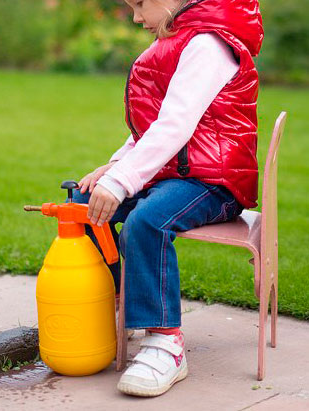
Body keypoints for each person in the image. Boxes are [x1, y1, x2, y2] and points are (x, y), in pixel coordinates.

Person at [72, 0, 263, 397]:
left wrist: (123, 181)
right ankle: (116, 301)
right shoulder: (179, 40)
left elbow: (175, 125)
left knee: (147, 221)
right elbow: (153, 126)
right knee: (81, 204)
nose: (137, 17)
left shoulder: (208, 45)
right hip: (178, 171)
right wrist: (116, 166)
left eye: (141, 4)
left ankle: (165, 344)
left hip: (214, 179)